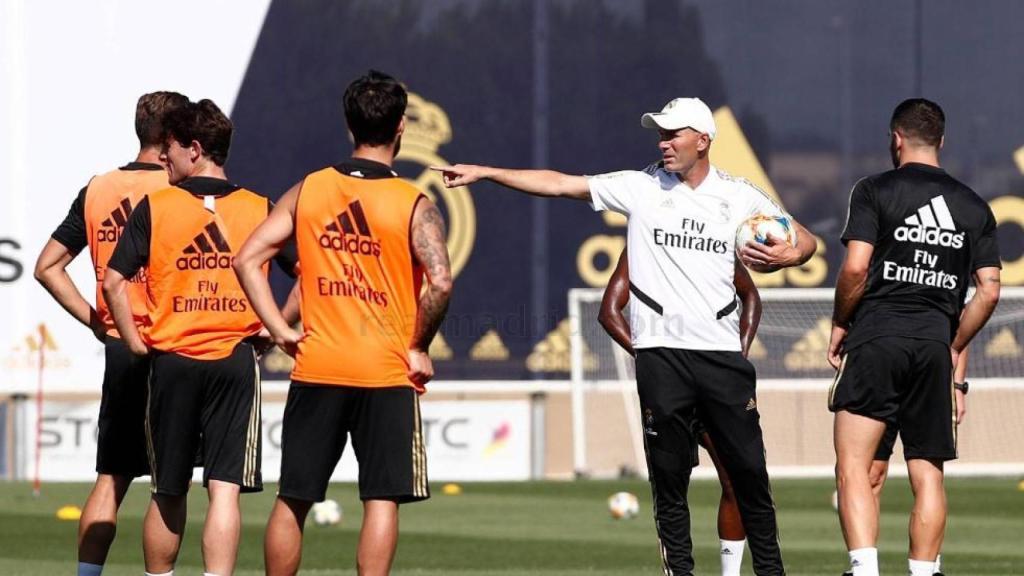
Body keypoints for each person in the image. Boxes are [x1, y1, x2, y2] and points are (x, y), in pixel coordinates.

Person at [434, 96, 816, 575]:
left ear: (703, 139)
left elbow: (804, 239)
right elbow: (558, 184)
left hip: (721, 358)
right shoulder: (640, 187)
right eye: (660, 132)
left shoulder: (740, 196)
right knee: (669, 482)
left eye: (673, 133)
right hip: (661, 358)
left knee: (750, 478)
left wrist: (790, 255)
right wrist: (488, 172)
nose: (664, 141)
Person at [233, 70, 453, 576]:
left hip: (318, 365)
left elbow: (248, 259)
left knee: (294, 498)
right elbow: (439, 282)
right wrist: (419, 345)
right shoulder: (414, 203)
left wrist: (280, 329)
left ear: (348, 126)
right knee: (381, 499)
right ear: (401, 126)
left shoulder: (310, 189)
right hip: (384, 370)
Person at [103, 98, 293, 576]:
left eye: (169, 150)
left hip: (171, 360)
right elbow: (308, 273)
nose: (163, 159)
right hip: (234, 359)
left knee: (168, 487)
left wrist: (133, 340)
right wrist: (275, 328)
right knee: (224, 490)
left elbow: (112, 282)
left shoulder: (157, 206)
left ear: (195, 149)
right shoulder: (258, 206)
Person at [828, 98, 1001, 576]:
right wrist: (954, 346)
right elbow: (988, 291)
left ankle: (864, 570)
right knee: (928, 475)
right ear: (941, 142)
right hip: (933, 351)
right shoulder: (973, 206)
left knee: (854, 468)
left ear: (895, 138)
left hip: (877, 339)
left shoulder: (874, 190)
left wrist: (841, 320)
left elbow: (857, 266)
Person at [33, 91, 188, 576]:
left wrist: (99, 319)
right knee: (170, 482)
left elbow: (47, 267)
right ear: (172, 138)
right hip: (170, 344)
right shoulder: (181, 186)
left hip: (121, 346)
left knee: (111, 478)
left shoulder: (99, 186)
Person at [599, 241, 761, 576]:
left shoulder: (711, 244)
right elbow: (609, 311)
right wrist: (652, 361)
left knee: (736, 479)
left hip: (714, 385)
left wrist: (737, 353)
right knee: (673, 488)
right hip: (669, 390)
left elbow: (751, 297)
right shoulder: (640, 249)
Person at [840, 348, 969, 576]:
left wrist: (958, 383)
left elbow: (963, 319)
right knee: (869, 472)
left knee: (927, 473)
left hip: (899, 353)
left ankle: (924, 570)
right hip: (884, 352)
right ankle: (864, 570)